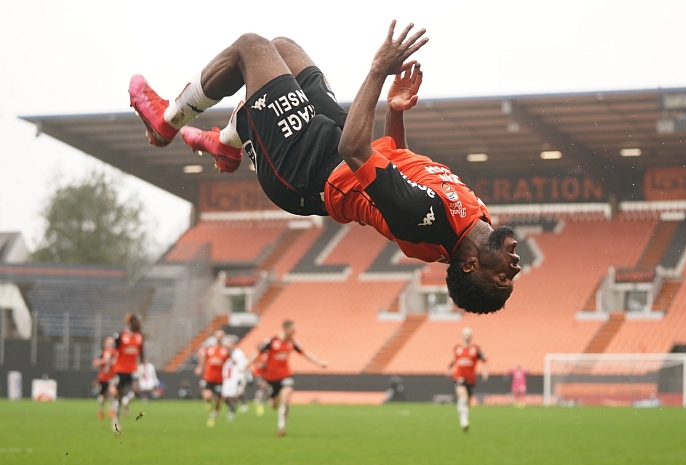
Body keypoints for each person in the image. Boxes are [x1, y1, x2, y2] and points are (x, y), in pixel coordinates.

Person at [129, 21, 521, 315]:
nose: (515, 267)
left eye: (503, 277)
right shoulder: (475, 217)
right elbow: (399, 164)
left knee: (252, 48)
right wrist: (396, 111)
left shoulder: (424, 219)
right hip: (335, 148)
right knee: (283, 48)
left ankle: (166, 122)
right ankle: (227, 146)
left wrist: (377, 70)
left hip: (309, 169)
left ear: (471, 265)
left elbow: (354, 149)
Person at [248, 320, 327, 436]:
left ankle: (281, 427)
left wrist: (319, 362)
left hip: (285, 375)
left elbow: (305, 353)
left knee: (286, 397)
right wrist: (246, 365)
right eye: (293, 330)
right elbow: (258, 353)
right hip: (271, 378)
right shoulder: (272, 341)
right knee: (274, 405)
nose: (294, 332)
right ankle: (272, 397)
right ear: (286, 329)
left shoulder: (293, 342)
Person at [447, 327, 488, 432]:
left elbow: (484, 360)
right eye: (465, 334)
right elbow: (454, 359)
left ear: (472, 336)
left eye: (469, 334)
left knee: (466, 401)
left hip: (471, 379)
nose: (467, 336)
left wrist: (484, 371)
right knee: (463, 397)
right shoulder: (457, 348)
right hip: (459, 377)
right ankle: (464, 421)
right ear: (462, 335)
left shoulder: (476, 349)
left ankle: (462, 413)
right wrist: (449, 367)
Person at [110, 313, 145, 428]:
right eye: (138, 322)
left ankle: (126, 401)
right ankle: (116, 419)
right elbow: (113, 351)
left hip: (133, 369)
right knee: (118, 395)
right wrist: (110, 365)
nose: (140, 324)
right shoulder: (120, 336)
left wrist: (143, 367)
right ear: (132, 323)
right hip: (120, 370)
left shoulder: (140, 337)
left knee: (136, 390)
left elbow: (142, 353)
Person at [194, 329, 230, 427]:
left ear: (223, 337)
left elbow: (229, 361)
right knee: (207, 396)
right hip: (208, 377)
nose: (219, 338)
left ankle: (213, 416)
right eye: (217, 336)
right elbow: (203, 359)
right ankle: (209, 402)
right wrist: (200, 368)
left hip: (219, 379)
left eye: (221, 336)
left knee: (218, 400)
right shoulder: (209, 349)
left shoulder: (225, 350)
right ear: (215, 337)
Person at [220, 335, 249, 422]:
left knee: (233, 396)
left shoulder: (238, 353)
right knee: (224, 397)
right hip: (227, 378)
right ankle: (235, 407)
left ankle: (232, 412)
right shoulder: (225, 353)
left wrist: (241, 376)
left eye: (230, 343)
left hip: (235, 378)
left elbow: (240, 364)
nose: (229, 345)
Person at [92, 335, 118, 421]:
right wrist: (105, 360)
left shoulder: (115, 352)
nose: (110, 344)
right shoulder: (101, 352)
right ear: (105, 343)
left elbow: (117, 363)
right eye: (109, 343)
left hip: (112, 377)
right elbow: (95, 363)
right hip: (103, 377)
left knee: (112, 393)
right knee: (102, 397)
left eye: (112, 343)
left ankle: (111, 410)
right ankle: (101, 410)